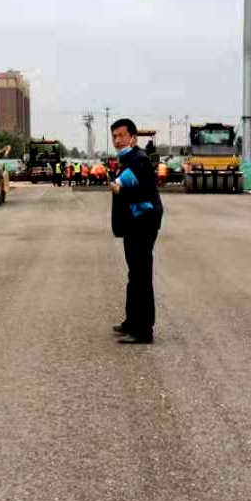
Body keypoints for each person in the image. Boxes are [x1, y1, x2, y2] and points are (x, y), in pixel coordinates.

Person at [108, 118, 163, 344]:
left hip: (143, 223)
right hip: (133, 224)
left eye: (121, 135)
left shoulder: (140, 160)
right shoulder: (127, 159)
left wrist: (120, 190)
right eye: (114, 136)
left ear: (133, 137)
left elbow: (145, 193)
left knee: (141, 275)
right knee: (134, 274)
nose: (117, 140)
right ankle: (132, 321)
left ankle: (143, 330)